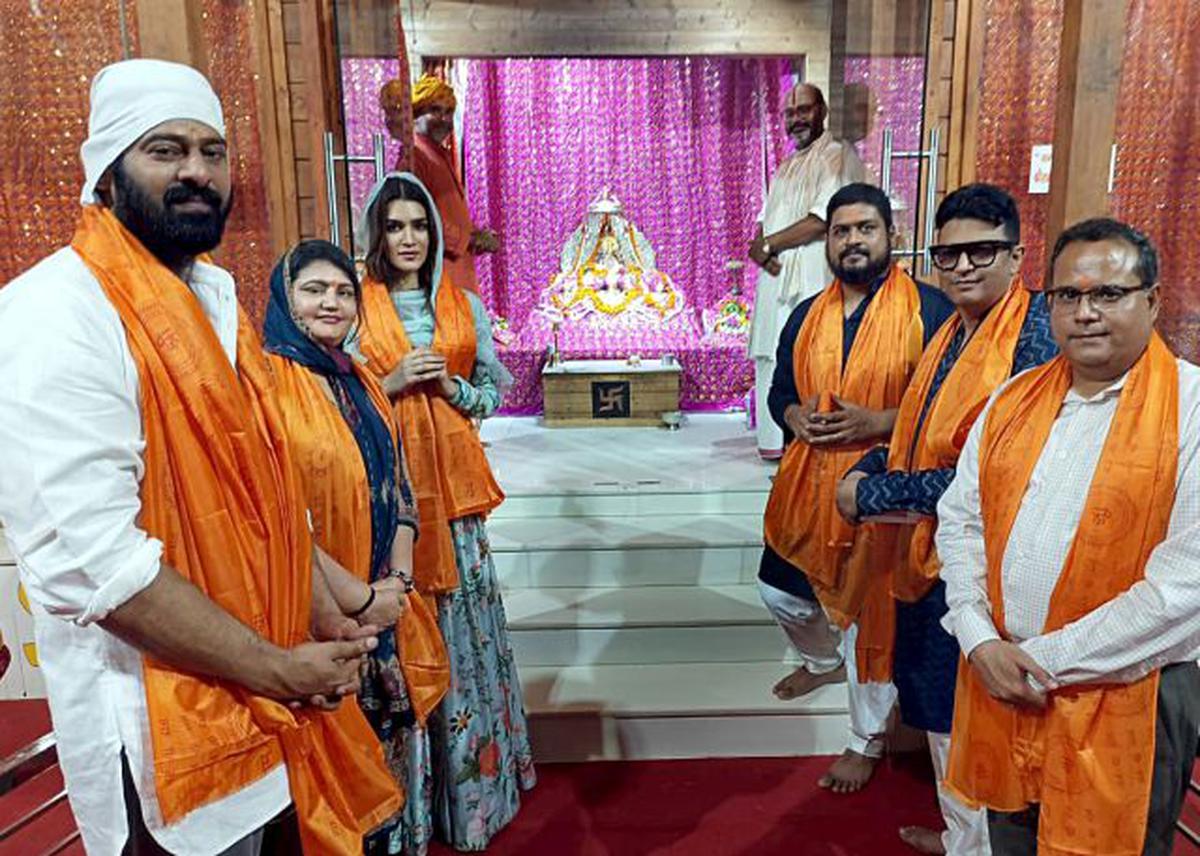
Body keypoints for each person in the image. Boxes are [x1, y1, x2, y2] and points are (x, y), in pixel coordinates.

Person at [0, 59, 402, 855]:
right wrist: (281, 669)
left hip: (272, 701)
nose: (196, 171)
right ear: (106, 173)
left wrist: (328, 618)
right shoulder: (54, 313)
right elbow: (98, 569)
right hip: (162, 735)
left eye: (212, 151)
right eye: (165, 150)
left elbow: (263, 498)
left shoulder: (213, 297)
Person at [938, 218, 1200, 855]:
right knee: (1013, 839)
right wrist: (977, 636)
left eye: (1108, 294)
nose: (1085, 313)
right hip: (1001, 679)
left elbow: (1183, 588)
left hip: (1130, 690)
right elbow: (960, 520)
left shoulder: (1191, 408)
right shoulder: (1011, 402)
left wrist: (1040, 663)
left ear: (1153, 301)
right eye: (1067, 296)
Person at [835, 183, 1058, 855]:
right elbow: (917, 428)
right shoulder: (950, 331)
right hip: (926, 557)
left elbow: (995, 472)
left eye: (981, 251)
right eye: (949, 253)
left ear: (1017, 254)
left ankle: (981, 845)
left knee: (977, 720)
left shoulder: (1034, 335)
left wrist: (867, 496)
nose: (962, 267)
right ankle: (965, 837)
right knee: (940, 716)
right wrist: (871, 469)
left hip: (987, 567)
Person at [355, 172, 536, 850]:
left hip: (455, 503)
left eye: (419, 226)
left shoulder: (462, 304)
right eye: (396, 226)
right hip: (384, 502)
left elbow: (493, 394)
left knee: (463, 637)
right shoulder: (356, 304)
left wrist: (454, 387)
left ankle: (471, 795)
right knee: (403, 639)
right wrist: (389, 382)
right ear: (378, 234)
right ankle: (405, 805)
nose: (408, 238)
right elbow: (333, 398)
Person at [758, 183, 954, 795]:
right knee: (780, 592)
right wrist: (794, 420)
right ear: (827, 241)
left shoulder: (930, 311)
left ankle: (864, 739)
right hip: (808, 479)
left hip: (883, 484)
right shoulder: (806, 314)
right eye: (841, 231)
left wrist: (878, 422)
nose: (852, 241)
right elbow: (781, 393)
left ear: (890, 237)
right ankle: (821, 662)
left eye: (866, 229)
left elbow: (949, 407)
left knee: (872, 616)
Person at [263, 239, 455, 855]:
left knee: (388, 766)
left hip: (382, 610)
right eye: (314, 289)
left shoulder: (364, 378)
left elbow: (400, 487)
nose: (332, 303)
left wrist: (395, 587)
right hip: (315, 616)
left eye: (344, 291)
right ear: (283, 298)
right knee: (332, 795)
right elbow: (277, 510)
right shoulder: (265, 385)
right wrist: (354, 597)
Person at [748, 82, 867, 459]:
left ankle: (806, 446)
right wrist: (760, 246)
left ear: (823, 111)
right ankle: (776, 444)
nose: (796, 118)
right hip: (776, 278)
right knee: (773, 355)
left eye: (804, 109)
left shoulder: (838, 155)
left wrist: (769, 246)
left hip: (812, 276)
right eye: (790, 112)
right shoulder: (786, 165)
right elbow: (764, 222)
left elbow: (821, 220)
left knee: (809, 353)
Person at [410, 73, 498, 294]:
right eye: (435, 110)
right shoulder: (415, 157)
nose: (443, 119)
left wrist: (475, 237)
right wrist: (468, 239)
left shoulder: (438, 155)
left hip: (457, 274)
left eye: (448, 112)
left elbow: (443, 214)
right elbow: (420, 221)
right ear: (416, 114)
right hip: (440, 278)